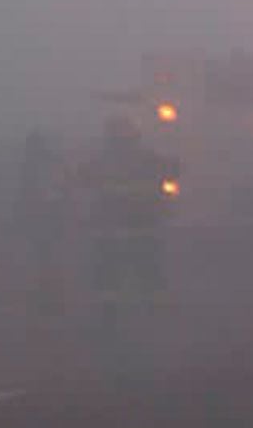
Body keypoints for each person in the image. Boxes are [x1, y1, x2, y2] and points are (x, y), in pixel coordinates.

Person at [77, 115, 176, 319]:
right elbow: (174, 169)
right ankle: (150, 313)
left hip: (116, 229)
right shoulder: (147, 159)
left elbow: (80, 179)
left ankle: (111, 313)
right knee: (145, 271)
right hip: (138, 227)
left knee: (111, 273)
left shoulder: (101, 161)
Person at [15, 130, 71, 314]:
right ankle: (49, 287)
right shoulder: (35, 164)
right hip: (45, 213)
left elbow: (58, 189)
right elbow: (27, 192)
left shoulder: (45, 164)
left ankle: (51, 289)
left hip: (49, 213)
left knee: (48, 252)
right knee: (46, 252)